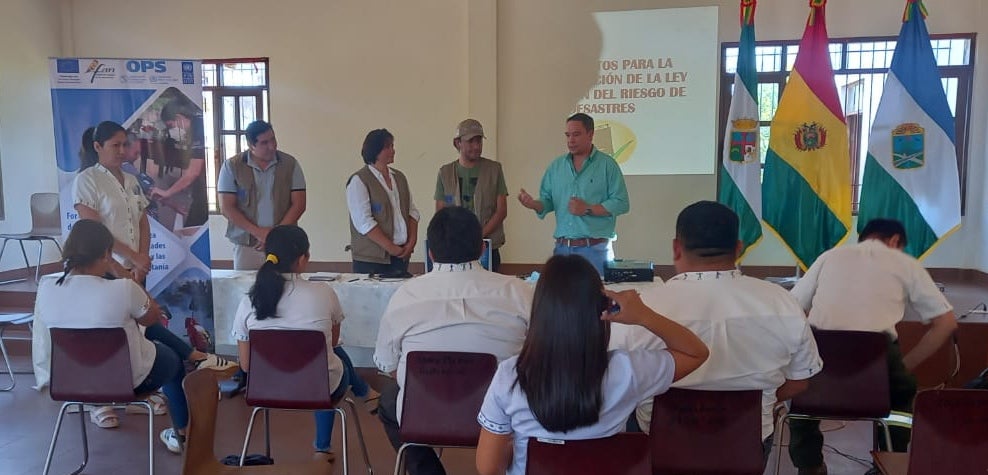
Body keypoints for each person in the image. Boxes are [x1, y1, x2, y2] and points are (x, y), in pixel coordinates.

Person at [608, 201, 822, 464]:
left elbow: (614, 382)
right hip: (746, 451)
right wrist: (759, 401)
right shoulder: (783, 303)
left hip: (658, 450)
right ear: (739, 248)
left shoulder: (639, 311)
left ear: (676, 248)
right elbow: (800, 382)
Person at [474, 254, 709, 475]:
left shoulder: (511, 375)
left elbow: (488, 468)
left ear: (539, 313)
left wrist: (515, 448)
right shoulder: (628, 371)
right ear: (601, 310)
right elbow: (695, 353)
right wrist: (644, 315)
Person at [73, 121, 236, 428]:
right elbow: (94, 230)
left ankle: (136, 394)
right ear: (97, 147)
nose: (122, 151)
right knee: (108, 333)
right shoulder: (87, 180)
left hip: (136, 267)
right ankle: (100, 401)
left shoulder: (131, 180)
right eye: (115, 145)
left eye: (125, 144)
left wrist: (142, 259)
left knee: (137, 329)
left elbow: (142, 220)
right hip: (104, 267)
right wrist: (124, 263)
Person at [788, 218, 958, 475]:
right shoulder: (905, 264)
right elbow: (946, 324)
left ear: (864, 238)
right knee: (903, 393)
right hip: (877, 364)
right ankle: (889, 462)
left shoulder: (830, 256)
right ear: (895, 241)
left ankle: (809, 464)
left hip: (821, 363)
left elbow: (792, 309)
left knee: (799, 391)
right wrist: (905, 366)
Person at [374, 206, 533, 475]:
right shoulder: (519, 292)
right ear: (482, 249)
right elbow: (538, 356)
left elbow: (388, 366)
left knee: (390, 400)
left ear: (431, 253)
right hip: (502, 418)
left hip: (424, 416)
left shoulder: (405, 295)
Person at [34, 219, 191, 453]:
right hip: (128, 382)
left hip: (69, 384)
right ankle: (181, 434)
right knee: (172, 360)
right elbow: (151, 319)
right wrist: (121, 274)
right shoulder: (123, 288)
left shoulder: (47, 287)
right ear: (107, 254)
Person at [232, 225, 378, 462]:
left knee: (325, 361)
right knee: (328, 362)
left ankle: (365, 393)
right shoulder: (323, 292)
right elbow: (332, 342)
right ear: (302, 259)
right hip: (319, 389)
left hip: (265, 391)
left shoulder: (249, 300)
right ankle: (323, 447)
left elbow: (247, 366)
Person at [517, 113, 629, 275]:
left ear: (590, 134)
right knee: (559, 292)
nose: (571, 140)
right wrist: (533, 204)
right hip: (562, 250)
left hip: (596, 250)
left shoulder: (607, 165)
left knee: (597, 292)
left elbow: (621, 203)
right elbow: (547, 201)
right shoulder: (556, 167)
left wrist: (588, 209)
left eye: (576, 134)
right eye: (568, 135)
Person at [218, 120, 307, 270]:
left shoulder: (290, 164)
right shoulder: (232, 166)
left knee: (284, 283)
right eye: (264, 143)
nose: (272, 146)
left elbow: (299, 204)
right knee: (246, 284)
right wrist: (259, 233)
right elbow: (226, 207)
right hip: (247, 244)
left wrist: (274, 235)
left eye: (273, 139)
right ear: (251, 145)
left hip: (283, 242)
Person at [434, 119, 508, 271]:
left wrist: (478, 235)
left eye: (479, 141)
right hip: (455, 248)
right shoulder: (445, 173)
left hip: (487, 247)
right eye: (470, 141)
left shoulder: (494, 169)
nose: (476, 146)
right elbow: (441, 213)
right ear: (457, 143)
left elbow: (501, 211)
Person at [346, 128, 420, 275]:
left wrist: (412, 242)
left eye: (392, 146)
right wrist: (391, 248)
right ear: (375, 151)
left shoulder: (399, 177)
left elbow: (412, 211)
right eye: (388, 147)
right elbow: (364, 222)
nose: (393, 150)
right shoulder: (359, 180)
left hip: (401, 255)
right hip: (371, 260)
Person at [149, 98, 208, 228]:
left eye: (170, 126)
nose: (171, 130)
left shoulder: (199, 128)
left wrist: (167, 192)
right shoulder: (196, 124)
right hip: (203, 188)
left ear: (179, 117)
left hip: (209, 190)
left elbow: (193, 172)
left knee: (193, 228)